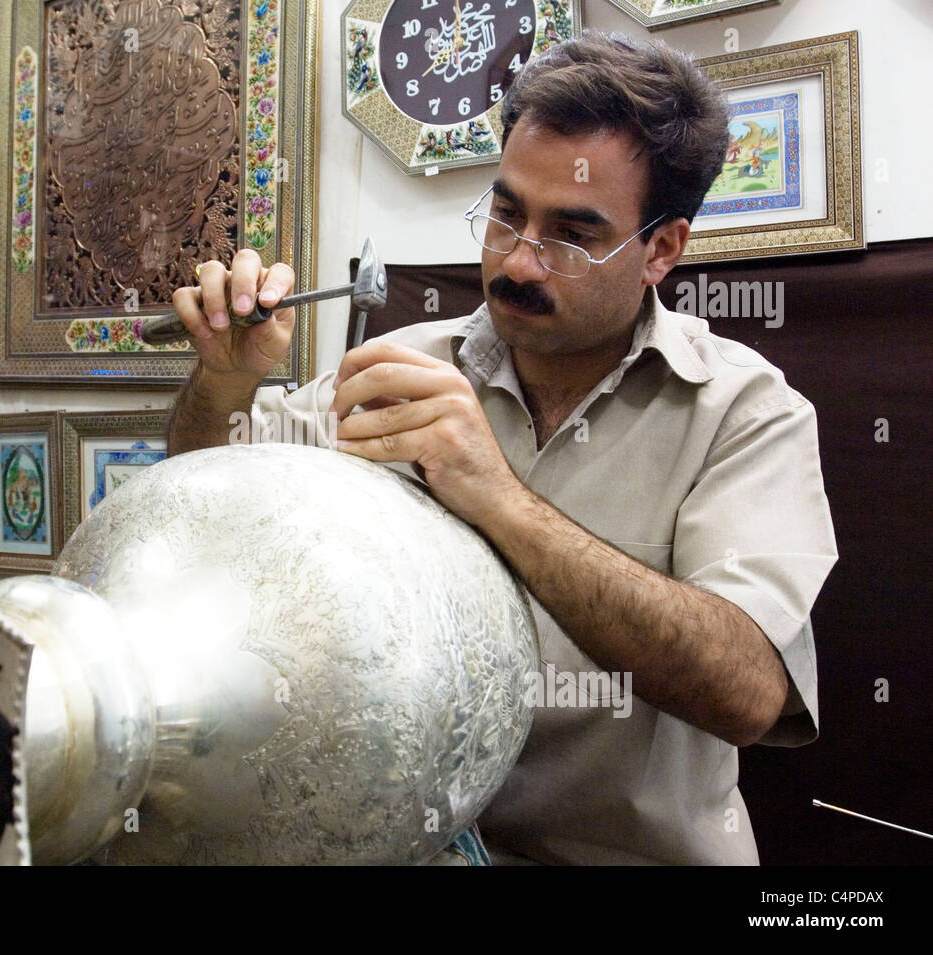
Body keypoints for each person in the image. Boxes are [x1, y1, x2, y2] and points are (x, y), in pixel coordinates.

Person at [165, 31, 836, 865]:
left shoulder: (743, 410)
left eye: (573, 234)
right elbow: (199, 504)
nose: (518, 261)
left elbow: (748, 691)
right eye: (508, 212)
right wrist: (223, 383)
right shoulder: (403, 368)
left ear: (662, 249)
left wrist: (502, 501)